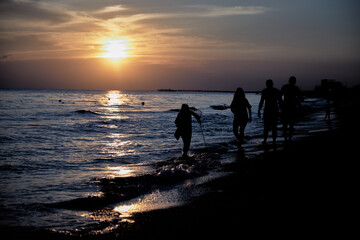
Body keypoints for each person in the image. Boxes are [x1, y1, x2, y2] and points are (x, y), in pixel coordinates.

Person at [258, 79, 282, 145]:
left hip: (269, 111)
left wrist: (259, 110)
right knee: (273, 127)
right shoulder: (276, 91)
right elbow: (280, 102)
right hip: (273, 110)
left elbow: (261, 101)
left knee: (267, 127)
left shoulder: (265, 91)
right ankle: (272, 140)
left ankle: (266, 140)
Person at [281, 76, 302, 141]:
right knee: (289, 123)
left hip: (289, 107)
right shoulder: (294, 88)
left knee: (288, 122)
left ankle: (287, 137)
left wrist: (281, 103)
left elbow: (298, 98)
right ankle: (288, 137)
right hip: (289, 107)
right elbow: (299, 99)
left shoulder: (293, 88)